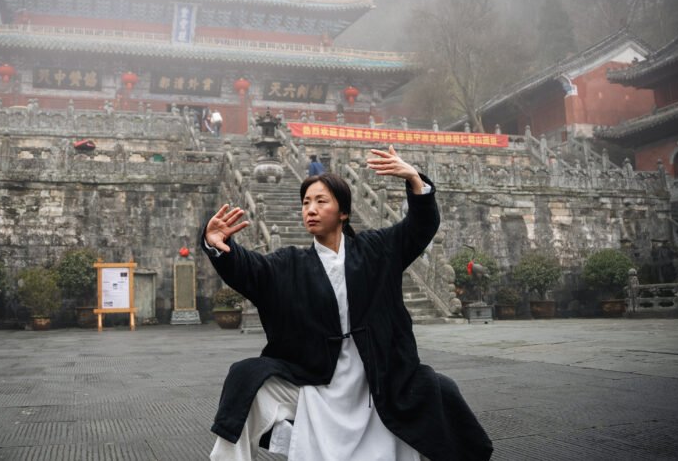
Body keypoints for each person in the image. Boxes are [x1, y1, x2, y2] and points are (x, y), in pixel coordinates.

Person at [200, 145, 492, 461]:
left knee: (440, 391)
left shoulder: (377, 250)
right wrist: (217, 245)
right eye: (305, 203)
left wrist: (414, 180)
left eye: (320, 201)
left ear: (343, 212)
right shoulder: (290, 265)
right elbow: (250, 270)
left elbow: (419, 227)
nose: (310, 209)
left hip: (377, 378)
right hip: (317, 378)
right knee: (247, 380)